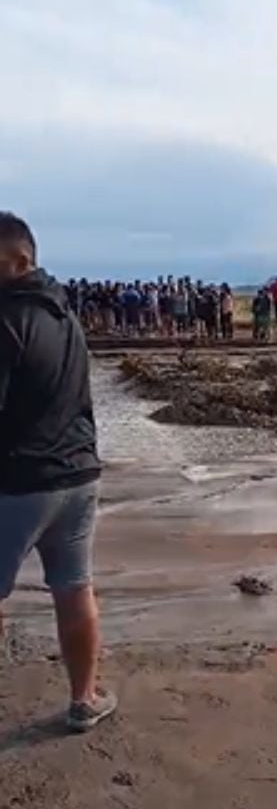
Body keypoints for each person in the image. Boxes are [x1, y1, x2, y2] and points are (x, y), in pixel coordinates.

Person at [0, 212, 114, 731]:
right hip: (78, 475)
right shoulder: (65, 314)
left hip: (22, 483)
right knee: (74, 588)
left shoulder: (7, 319)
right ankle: (83, 699)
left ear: (20, 261)